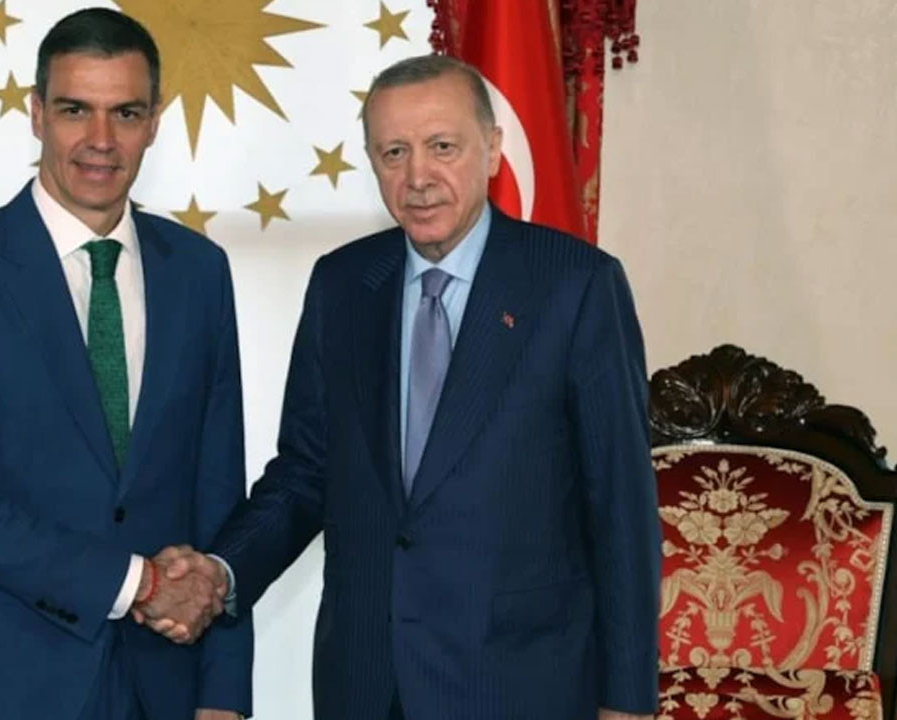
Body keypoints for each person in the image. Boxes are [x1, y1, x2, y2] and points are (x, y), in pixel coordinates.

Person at [151, 55, 661, 720]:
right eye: (394, 152)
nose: (418, 177)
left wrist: (627, 700)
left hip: (519, 685)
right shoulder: (342, 284)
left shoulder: (575, 285)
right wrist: (221, 572)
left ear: (493, 149)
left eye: (442, 147)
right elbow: (306, 474)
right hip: (367, 683)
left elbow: (620, 506)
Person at [0, 8, 250, 720]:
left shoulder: (199, 271)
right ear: (36, 114)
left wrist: (224, 693)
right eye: (75, 109)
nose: (101, 140)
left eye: (126, 113)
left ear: (154, 123)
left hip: (164, 684)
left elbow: (218, 495)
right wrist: (140, 582)